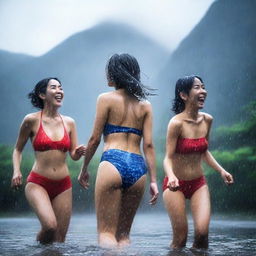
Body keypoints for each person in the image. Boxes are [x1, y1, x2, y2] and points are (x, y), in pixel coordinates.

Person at [78, 53, 159, 248]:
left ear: (114, 74)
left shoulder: (105, 99)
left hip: (113, 160)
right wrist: (154, 181)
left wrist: (84, 168)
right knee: (123, 236)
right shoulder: (145, 105)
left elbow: (94, 138)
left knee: (106, 234)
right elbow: (148, 145)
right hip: (138, 168)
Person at [11, 77, 86, 244]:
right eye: (54, 87)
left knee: (60, 239)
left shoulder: (69, 122)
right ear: (42, 94)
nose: (59, 91)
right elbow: (17, 149)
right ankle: (36, 250)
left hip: (63, 185)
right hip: (38, 183)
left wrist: (78, 152)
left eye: (60, 87)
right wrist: (16, 171)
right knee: (50, 227)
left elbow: (72, 156)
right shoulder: (31, 120)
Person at [163, 75, 234, 249]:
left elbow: (204, 151)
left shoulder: (207, 120)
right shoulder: (176, 123)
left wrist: (221, 171)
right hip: (175, 185)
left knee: (202, 237)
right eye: (197, 87)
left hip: (198, 184)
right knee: (180, 239)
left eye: (203, 87)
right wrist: (171, 176)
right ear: (184, 95)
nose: (203, 91)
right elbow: (168, 157)